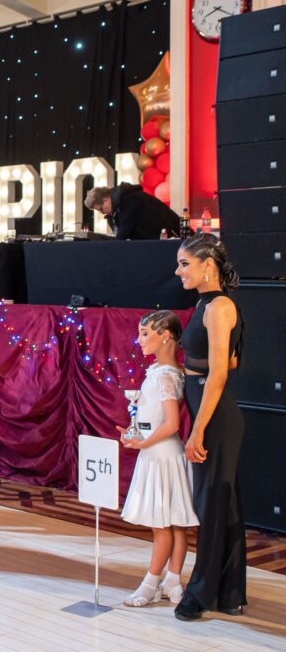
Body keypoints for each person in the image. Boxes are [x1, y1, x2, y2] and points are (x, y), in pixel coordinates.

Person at [173, 233, 246, 621]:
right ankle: (229, 593)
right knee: (225, 505)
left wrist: (198, 430)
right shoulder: (208, 304)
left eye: (184, 263)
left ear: (207, 265)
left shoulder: (218, 307)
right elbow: (229, 362)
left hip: (214, 417)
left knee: (212, 507)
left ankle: (199, 595)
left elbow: (220, 373)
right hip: (211, 409)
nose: (178, 270)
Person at [118, 310, 198, 607]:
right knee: (175, 523)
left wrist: (143, 443)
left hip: (162, 453)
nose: (138, 340)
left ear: (165, 336)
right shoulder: (160, 371)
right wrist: (134, 431)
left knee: (163, 525)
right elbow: (154, 418)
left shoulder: (166, 375)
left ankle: (150, 583)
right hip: (159, 450)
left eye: (144, 333)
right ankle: (173, 580)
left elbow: (172, 424)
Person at [85, 184, 180, 240]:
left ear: (106, 200)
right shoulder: (118, 207)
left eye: (101, 209)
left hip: (173, 235)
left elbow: (123, 233)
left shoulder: (129, 200)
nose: (103, 213)